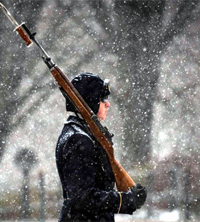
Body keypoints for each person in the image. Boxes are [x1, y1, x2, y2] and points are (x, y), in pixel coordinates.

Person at [56, 72, 147, 221]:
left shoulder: (80, 133)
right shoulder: (79, 139)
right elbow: (83, 197)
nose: (107, 103)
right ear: (90, 101)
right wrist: (125, 200)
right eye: (102, 98)